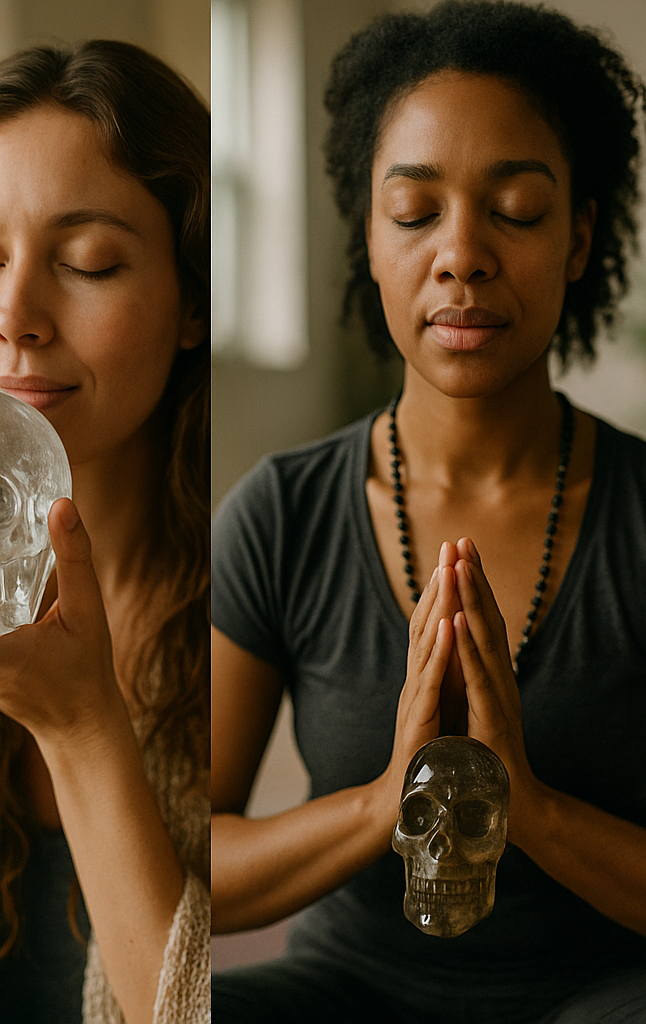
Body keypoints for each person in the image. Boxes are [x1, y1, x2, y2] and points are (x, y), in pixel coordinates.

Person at [209, 3, 646, 1023]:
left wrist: (536, 810)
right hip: (342, 986)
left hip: (598, 990)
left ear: (579, 238)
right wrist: (380, 801)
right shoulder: (282, 512)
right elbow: (187, 863)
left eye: (517, 208)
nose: (463, 254)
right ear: (368, 236)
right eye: (415, 210)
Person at [0, 40, 211, 1024]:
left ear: (191, 303)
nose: (16, 315)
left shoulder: (246, 617)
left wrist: (84, 727)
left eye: (85, 262)